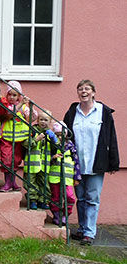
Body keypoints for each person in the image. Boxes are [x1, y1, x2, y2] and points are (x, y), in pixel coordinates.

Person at [63, 80, 119, 245]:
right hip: (77, 164)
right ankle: (81, 230)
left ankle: (89, 232)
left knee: (92, 198)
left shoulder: (103, 112)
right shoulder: (73, 111)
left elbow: (111, 138)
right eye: (80, 89)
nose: (83, 91)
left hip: (96, 162)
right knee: (80, 197)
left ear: (94, 92)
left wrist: (114, 162)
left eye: (87, 89)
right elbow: (65, 134)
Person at [0, 81, 37, 191]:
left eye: (14, 95)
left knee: (16, 160)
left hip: (19, 139)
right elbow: (10, 113)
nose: (12, 97)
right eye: (10, 94)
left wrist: (31, 107)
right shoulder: (6, 105)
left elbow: (32, 118)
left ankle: (12, 182)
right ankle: (7, 182)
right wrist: (20, 105)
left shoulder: (23, 107)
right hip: (6, 138)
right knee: (6, 159)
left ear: (19, 96)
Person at [48, 122, 81, 226]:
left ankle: (65, 215)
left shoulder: (71, 146)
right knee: (55, 197)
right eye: (57, 135)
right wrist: (53, 158)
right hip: (55, 177)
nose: (60, 137)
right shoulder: (52, 146)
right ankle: (56, 215)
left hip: (67, 178)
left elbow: (76, 162)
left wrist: (77, 178)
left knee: (70, 197)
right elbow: (46, 160)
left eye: (61, 134)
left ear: (66, 134)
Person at [22, 110, 56, 210]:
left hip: (44, 164)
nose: (43, 122)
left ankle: (43, 201)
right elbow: (25, 144)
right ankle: (33, 200)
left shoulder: (50, 133)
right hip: (32, 164)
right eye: (41, 119)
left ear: (50, 122)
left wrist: (53, 139)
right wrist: (36, 140)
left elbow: (56, 147)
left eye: (46, 120)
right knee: (31, 183)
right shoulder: (32, 131)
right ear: (37, 120)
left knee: (44, 184)